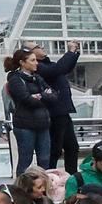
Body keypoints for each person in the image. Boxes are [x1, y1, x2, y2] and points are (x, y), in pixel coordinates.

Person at [5, 47, 57, 173]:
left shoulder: (37, 78)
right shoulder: (15, 80)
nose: (36, 63)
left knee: (44, 160)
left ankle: (42, 187)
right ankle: (21, 189)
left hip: (42, 124)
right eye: (33, 60)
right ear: (23, 62)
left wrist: (40, 96)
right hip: (25, 125)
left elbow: (54, 96)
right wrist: (44, 95)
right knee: (25, 160)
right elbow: (27, 100)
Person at [35, 42, 84, 174]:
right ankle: (49, 177)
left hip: (62, 111)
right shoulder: (38, 67)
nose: (42, 48)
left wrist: (74, 54)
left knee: (72, 147)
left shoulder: (48, 65)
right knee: (55, 149)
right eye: (38, 47)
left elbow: (64, 68)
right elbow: (57, 70)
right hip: (54, 113)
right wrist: (70, 51)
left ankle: (72, 177)